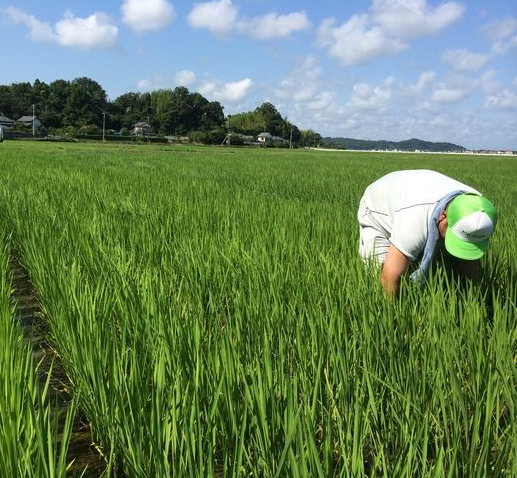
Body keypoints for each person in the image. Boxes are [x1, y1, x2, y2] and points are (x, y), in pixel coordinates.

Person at [357, 169, 497, 296]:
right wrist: (393, 317)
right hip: (377, 208)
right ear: (443, 217)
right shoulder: (413, 222)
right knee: (377, 274)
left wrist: (474, 298)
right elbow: (389, 277)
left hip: (413, 196)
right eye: (454, 235)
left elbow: (469, 265)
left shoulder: (480, 210)